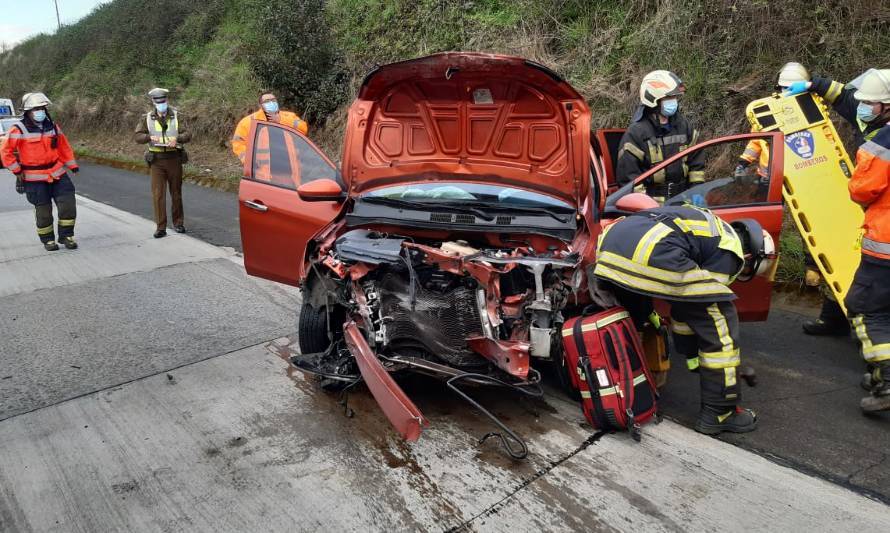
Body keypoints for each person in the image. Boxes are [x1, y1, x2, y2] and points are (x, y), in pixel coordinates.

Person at [594, 202, 773, 434]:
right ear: (749, 256)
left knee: (632, 320)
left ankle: (625, 389)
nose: (742, 271)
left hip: (609, 250)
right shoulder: (730, 251)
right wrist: (723, 364)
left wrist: (694, 358)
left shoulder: (711, 227)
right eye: (750, 268)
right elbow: (704, 312)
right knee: (721, 323)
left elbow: (685, 309)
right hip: (653, 253)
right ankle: (720, 412)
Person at [785, 68, 890, 336]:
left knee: (866, 274)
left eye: (869, 102)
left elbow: (865, 186)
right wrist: (811, 84)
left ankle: (875, 337)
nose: (863, 106)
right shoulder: (870, 111)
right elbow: (841, 94)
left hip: (876, 202)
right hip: (872, 203)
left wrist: (861, 189)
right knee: (843, 254)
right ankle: (833, 319)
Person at [844, 99, 890, 412]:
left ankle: (887, 379)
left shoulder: (884, 142)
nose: (863, 107)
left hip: (885, 247)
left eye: (870, 103)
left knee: (864, 310)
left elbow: (861, 190)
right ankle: (878, 373)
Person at [1, 92, 79, 251]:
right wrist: (17, 170)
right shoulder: (18, 129)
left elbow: (64, 147)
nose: (40, 111)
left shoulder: (53, 127)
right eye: (36, 108)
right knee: (43, 211)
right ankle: (48, 240)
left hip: (57, 173)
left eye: (42, 108)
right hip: (34, 178)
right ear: (28, 111)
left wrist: (72, 165)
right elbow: (5, 151)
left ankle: (67, 236)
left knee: (68, 205)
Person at [615, 70, 705, 203]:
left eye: (675, 97)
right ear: (653, 100)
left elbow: (696, 163)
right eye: (668, 98)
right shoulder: (636, 134)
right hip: (653, 207)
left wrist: (697, 191)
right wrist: (645, 206)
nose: (673, 102)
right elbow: (630, 180)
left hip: (684, 202)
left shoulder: (683, 126)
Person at [134, 87, 191, 238]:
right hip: (156, 160)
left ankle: (178, 223)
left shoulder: (178, 116)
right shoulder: (146, 118)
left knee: (176, 193)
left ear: (167, 100)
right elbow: (138, 136)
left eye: (163, 101)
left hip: (174, 158)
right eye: (158, 101)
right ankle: (161, 227)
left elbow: (188, 134)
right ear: (153, 102)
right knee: (158, 195)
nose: (161, 104)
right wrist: (149, 138)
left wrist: (177, 139)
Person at [231, 91, 308, 163]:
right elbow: (238, 143)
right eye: (267, 101)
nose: (271, 102)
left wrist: (281, 120)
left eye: (273, 100)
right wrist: (249, 161)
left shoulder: (289, 116)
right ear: (261, 105)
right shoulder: (248, 121)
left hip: (291, 166)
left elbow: (303, 129)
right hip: (263, 170)